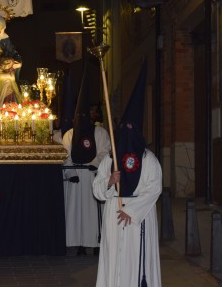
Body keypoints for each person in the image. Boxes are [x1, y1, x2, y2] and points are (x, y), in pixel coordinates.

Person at [93, 61, 162, 287]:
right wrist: (110, 182)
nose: (127, 135)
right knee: (115, 259)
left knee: (135, 262)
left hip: (138, 218)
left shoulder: (149, 160)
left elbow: (154, 188)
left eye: (132, 130)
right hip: (114, 212)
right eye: (124, 130)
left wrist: (132, 210)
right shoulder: (110, 160)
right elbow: (97, 189)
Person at [62, 65, 110, 256]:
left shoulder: (100, 132)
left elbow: (105, 152)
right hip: (76, 181)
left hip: (92, 179)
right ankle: (79, 244)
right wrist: (71, 172)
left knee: (92, 215)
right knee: (77, 215)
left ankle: (96, 244)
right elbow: (64, 156)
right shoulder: (70, 135)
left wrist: (95, 166)